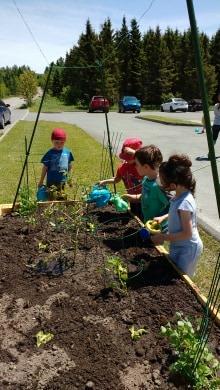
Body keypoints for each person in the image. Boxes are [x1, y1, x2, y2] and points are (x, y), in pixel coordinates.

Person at [151, 154, 203, 276]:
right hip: (179, 244)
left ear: (173, 185)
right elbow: (176, 214)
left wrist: (163, 237)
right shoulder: (180, 195)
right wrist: (163, 217)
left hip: (188, 250)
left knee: (182, 280)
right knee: (174, 273)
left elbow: (187, 233)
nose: (161, 183)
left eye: (163, 181)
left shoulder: (185, 203)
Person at [123, 145, 170, 223]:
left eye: (136, 164)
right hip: (147, 221)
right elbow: (144, 195)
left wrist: (161, 219)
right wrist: (131, 197)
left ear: (146, 167)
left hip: (157, 227)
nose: (135, 167)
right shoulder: (146, 179)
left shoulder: (159, 186)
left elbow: (172, 207)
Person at [99, 137, 143, 215]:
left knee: (144, 216)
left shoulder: (142, 167)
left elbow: (148, 159)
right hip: (131, 198)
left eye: (130, 157)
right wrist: (104, 182)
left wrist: (135, 153)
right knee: (135, 214)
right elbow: (116, 179)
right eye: (126, 158)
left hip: (143, 198)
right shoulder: (122, 168)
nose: (127, 160)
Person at [38, 128, 74, 199]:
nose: (59, 145)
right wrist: (41, 181)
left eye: (62, 142)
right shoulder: (49, 153)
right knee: (51, 199)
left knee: (62, 198)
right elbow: (45, 168)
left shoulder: (68, 152)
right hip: (51, 182)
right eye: (56, 142)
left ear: (65, 141)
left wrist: (69, 179)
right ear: (52, 141)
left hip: (62, 182)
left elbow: (69, 166)